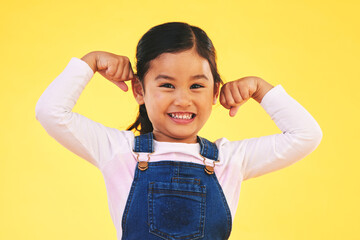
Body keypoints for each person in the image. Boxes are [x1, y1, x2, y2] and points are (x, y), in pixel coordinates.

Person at [35, 22, 323, 240]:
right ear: (139, 90)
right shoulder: (119, 151)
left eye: (197, 85)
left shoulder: (229, 160)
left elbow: (306, 135)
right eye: (167, 85)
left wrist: (263, 91)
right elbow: (50, 112)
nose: (183, 99)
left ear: (215, 93)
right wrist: (90, 63)